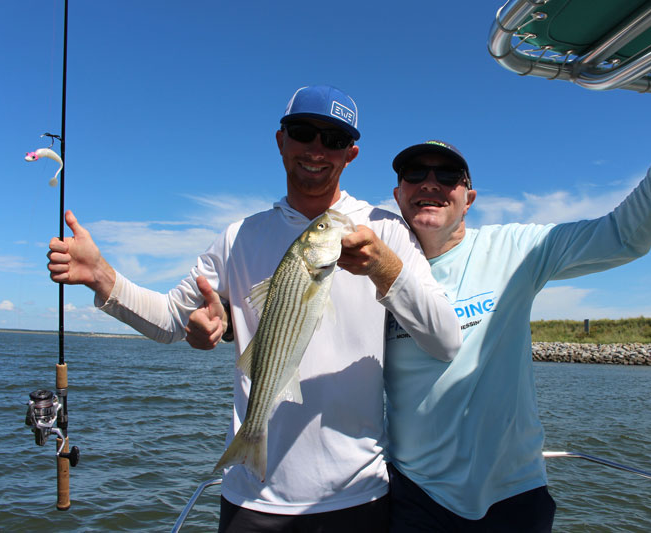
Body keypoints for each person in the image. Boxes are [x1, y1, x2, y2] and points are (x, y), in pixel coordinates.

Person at [47, 84, 462, 532]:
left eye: (335, 140)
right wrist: (102, 277)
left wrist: (385, 268)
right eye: (304, 132)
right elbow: (170, 319)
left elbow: (445, 342)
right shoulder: (237, 237)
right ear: (281, 140)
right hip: (252, 498)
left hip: (358, 494)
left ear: (351, 154)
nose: (317, 150)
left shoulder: (387, 230)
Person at [384, 83, 651, 532]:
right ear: (398, 193)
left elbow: (626, 235)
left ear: (469, 198)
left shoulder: (516, 248)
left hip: (512, 494)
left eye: (447, 176)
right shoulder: (373, 267)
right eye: (414, 173)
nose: (430, 182)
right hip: (413, 494)